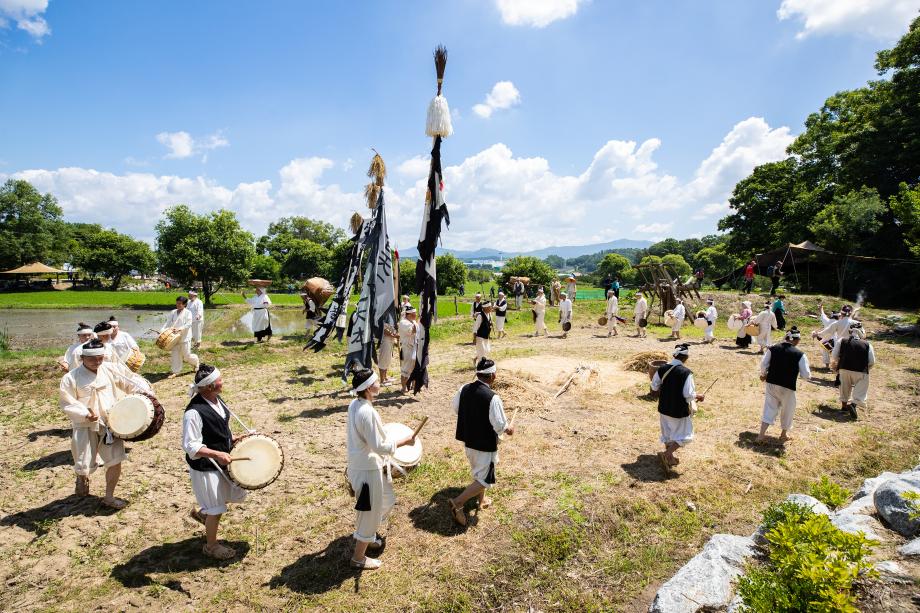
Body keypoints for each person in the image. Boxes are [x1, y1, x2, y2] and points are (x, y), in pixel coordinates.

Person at [59, 339, 152, 507]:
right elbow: (67, 402)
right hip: (84, 425)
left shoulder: (109, 368)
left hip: (111, 422)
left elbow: (130, 381)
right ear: (82, 358)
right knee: (83, 461)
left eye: (100, 358)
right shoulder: (70, 378)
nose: (97, 362)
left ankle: (109, 497)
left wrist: (145, 392)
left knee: (115, 459)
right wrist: (85, 413)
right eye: (93, 359)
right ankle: (82, 476)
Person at [346, 369, 417, 569]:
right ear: (369, 388)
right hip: (367, 469)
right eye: (377, 381)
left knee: (387, 499)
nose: (380, 383)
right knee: (368, 512)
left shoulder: (356, 404)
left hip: (364, 465)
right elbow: (378, 446)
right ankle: (358, 557)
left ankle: (368, 534)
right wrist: (405, 441)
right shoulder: (366, 412)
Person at [182, 364, 248, 560]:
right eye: (220, 380)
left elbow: (216, 430)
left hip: (219, 462)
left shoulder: (217, 400)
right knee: (217, 509)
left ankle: (204, 515)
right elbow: (191, 446)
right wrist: (217, 454)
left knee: (223, 498)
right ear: (209, 386)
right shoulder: (193, 413)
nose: (222, 382)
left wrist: (232, 439)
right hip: (206, 467)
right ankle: (211, 546)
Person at [448, 358, 513, 526]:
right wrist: (508, 429)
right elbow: (499, 425)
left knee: (479, 471)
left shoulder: (464, 389)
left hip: (469, 440)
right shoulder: (493, 398)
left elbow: (456, 407)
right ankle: (458, 502)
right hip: (484, 444)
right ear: (492, 376)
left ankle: (482, 500)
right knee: (485, 479)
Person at [650, 344, 704, 471]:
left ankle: (670, 458)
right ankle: (667, 455)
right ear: (686, 358)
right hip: (678, 411)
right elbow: (688, 395)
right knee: (686, 436)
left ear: (674, 355)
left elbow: (654, 386)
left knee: (668, 434)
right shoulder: (686, 373)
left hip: (663, 407)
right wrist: (698, 396)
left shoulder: (662, 368)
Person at [756, 327, 811, 445]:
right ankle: (783, 434)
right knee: (788, 409)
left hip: (772, 383)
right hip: (787, 386)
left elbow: (763, 364)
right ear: (796, 340)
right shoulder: (800, 354)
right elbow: (806, 374)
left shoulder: (773, 348)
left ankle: (761, 435)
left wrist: (764, 374)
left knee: (769, 407)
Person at [831, 322, 875, 419]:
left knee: (844, 386)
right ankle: (854, 404)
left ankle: (844, 406)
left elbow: (834, 355)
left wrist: (840, 363)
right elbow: (872, 361)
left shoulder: (841, 341)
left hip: (844, 368)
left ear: (850, 332)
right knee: (861, 389)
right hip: (860, 370)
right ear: (862, 332)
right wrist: (866, 369)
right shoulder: (868, 344)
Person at [161, 296, 200, 377]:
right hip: (174, 337)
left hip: (184, 337)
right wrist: (162, 331)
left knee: (186, 356)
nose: (178, 305)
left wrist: (180, 329)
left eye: (180, 303)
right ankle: (175, 371)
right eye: (177, 303)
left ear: (184, 304)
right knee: (175, 355)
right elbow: (167, 323)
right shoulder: (173, 312)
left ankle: (196, 362)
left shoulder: (188, 313)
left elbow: (188, 324)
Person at [398, 306, 420, 392]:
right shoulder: (403, 322)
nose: (416, 315)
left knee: (414, 368)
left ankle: (413, 385)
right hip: (406, 349)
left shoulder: (413, 321)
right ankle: (404, 388)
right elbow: (413, 331)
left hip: (415, 347)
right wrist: (418, 321)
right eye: (415, 313)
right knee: (405, 369)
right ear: (410, 314)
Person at [814, 304, 839, 370]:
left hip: (826, 339)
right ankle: (836, 365)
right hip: (835, 339)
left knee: (825, 352)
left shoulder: (827, 321)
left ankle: (827, 366)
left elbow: (823, 314)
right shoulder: (839, 322)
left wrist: (821, 308)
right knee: (836, 353)